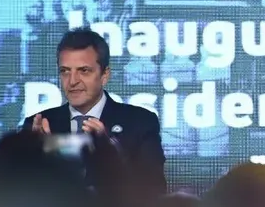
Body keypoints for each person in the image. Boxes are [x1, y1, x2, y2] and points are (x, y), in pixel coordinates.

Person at [21, 28, 166, 194]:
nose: (72, 81)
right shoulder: (38, 124)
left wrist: (111, 152)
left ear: (104, 75)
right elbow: (19, 197)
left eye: (84, 71)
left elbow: (155, 193)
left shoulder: (140, 122)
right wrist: (37, 158)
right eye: (65, 71)